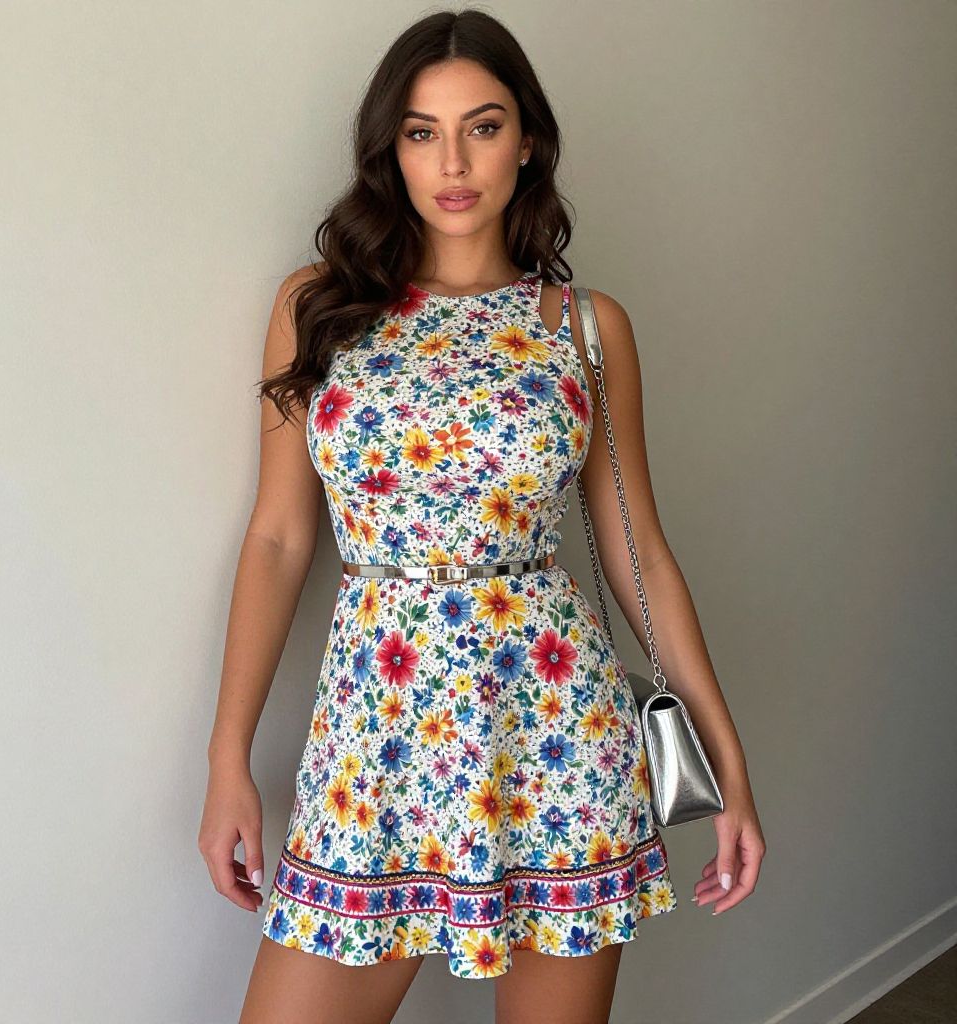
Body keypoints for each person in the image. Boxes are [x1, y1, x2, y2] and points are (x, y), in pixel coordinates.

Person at [199, 9, 766, 1023]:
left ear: (529, 140)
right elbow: (279, 539)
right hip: (372, 744)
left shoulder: (588, 327)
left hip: (556, 738)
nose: (452, 161)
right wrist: (226, 758)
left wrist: (728, 767)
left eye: (483, 125)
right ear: (390, 150)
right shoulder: (316, 306)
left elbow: (641, 555)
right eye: (420, 131)